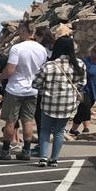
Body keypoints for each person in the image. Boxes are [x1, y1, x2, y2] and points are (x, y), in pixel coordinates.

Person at [0, 22, 48, 160]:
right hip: (33, 89)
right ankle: (26, 151)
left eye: (20, 31)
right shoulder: (42, 49)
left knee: (11, 120)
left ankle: (6, 150)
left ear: (24, 31)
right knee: (28, 120)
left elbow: (10, 70)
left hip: (15, 89)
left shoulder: (17, 48)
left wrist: (1, 76)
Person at [31, 36, 86, 167]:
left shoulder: (49, 65)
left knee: (45, 130)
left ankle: (43, 157)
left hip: (48, 103)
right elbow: (82, 83)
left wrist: (48, 88)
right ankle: (54, 159)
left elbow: (36, 84)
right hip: (67, 104)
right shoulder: (79, 64)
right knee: (59, 131)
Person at [69, 42, 96, 136]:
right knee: (85, 107)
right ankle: (86, 128)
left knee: (82, 110)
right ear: (92, 51)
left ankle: (73, 130)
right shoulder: (86, 62)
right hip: (84, 89)